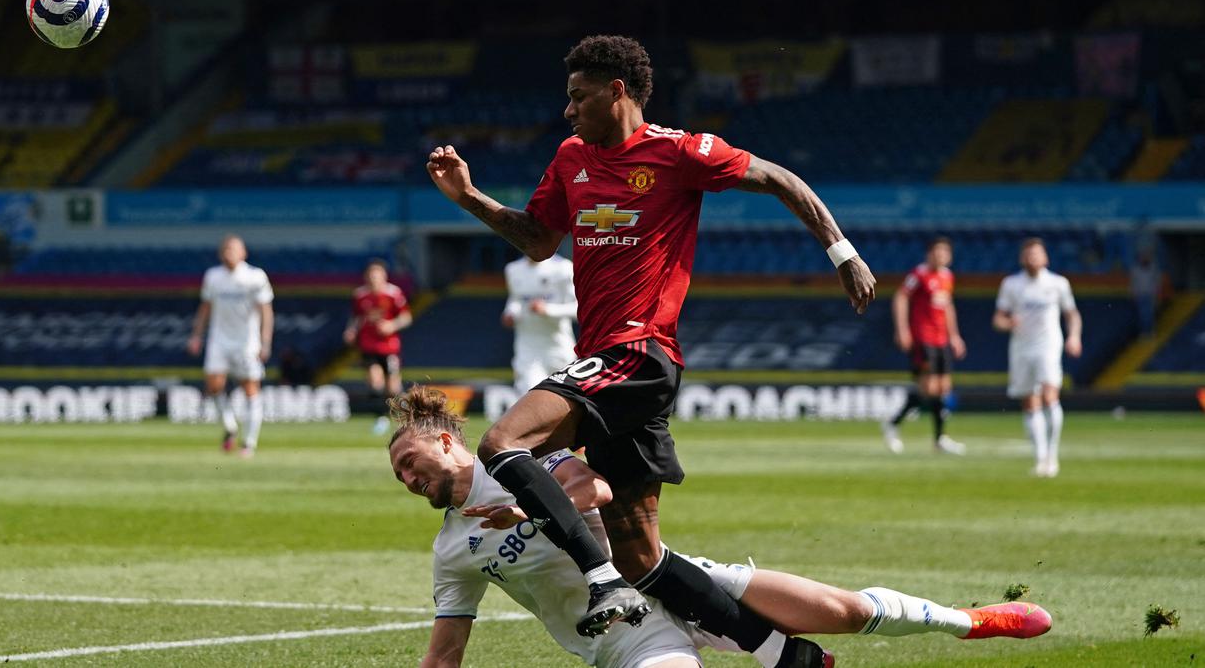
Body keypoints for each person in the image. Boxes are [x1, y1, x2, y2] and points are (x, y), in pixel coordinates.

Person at [426, 34, 876, 659]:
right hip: (606, 365)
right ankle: (787, 655)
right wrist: (469, 198)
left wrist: (842, 252)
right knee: (640, 554)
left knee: (503, 443)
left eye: (579, 97)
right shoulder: (570, 158)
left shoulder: (680, 152)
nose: (568, 110)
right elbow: (537, 239)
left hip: (637, 353)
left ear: (617, 92)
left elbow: (779, 179)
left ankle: (599, 580)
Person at [388, 386, 1052, 668]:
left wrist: (526, 506)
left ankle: (972, 622)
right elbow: (444, 654)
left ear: (446, 442)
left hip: (675, 577)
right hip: (626, 641)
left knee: (843, 610)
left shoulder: (522, 459)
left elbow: (599, 486)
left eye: (411, 463)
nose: (410, 480)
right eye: (402, 479)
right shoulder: (453, 551)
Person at [993, 238, 1082, 478]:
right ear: (1022, 259)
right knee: (1029, 401)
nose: (1033, 258)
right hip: (1022, 347)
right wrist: (1008, 323)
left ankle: (1052, 455)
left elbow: (1072, 314)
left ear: (1046, 258)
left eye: (1037, 254)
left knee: (1049, 394)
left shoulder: (1058, 283)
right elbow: (998, 318)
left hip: (1048, 345)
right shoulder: (1011, 284)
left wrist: (1074, 336)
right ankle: (1040, 457)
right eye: (1028, 254)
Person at [186, 235, 274, 457]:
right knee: (214, 386)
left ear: (244, 253)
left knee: (250, 389)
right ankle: (230, 426)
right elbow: (205, 307)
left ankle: (249, 443)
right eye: (226, 248)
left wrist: (265, 342)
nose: (229, 252)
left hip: (246, 343)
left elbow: (266, 311)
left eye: (234, 249)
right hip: (219, 340)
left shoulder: (255, 276)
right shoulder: (213, 276)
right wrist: (197, 335)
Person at [882, 237, 967, 455]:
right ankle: (894, 423)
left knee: (943, 389)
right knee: (929, 389)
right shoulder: (919, 275)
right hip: (923, 338)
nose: (940, 256)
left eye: (944, 252)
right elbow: (900, 298)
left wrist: (955, 336)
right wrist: (902, 330)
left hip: (942, 340)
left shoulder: (947, 276)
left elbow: (947, 307)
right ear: (929, 254)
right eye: (937, 252)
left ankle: (938, 439)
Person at [343, 259, 412, 435]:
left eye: (377, 275)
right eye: (371, 275)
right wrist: (351, 330)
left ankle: (412, 414)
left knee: (393, 389)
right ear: (366, 277)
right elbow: (357, 317)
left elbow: (406, 317)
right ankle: (381, 418)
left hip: (389, 346)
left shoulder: (393, 294)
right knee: (375, 381)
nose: (374, 278)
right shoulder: (360, 295)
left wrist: (391, 325)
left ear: (384, 276)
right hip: (368, 345)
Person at [503, 253, 578, 393]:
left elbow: (578, 309)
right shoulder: (513, 269)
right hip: (527, 348)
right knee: (530, 395)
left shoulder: (563, 267)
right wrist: (509, 314)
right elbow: (515, 300)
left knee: (567, 397)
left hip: (558, 347)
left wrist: (548, 309)